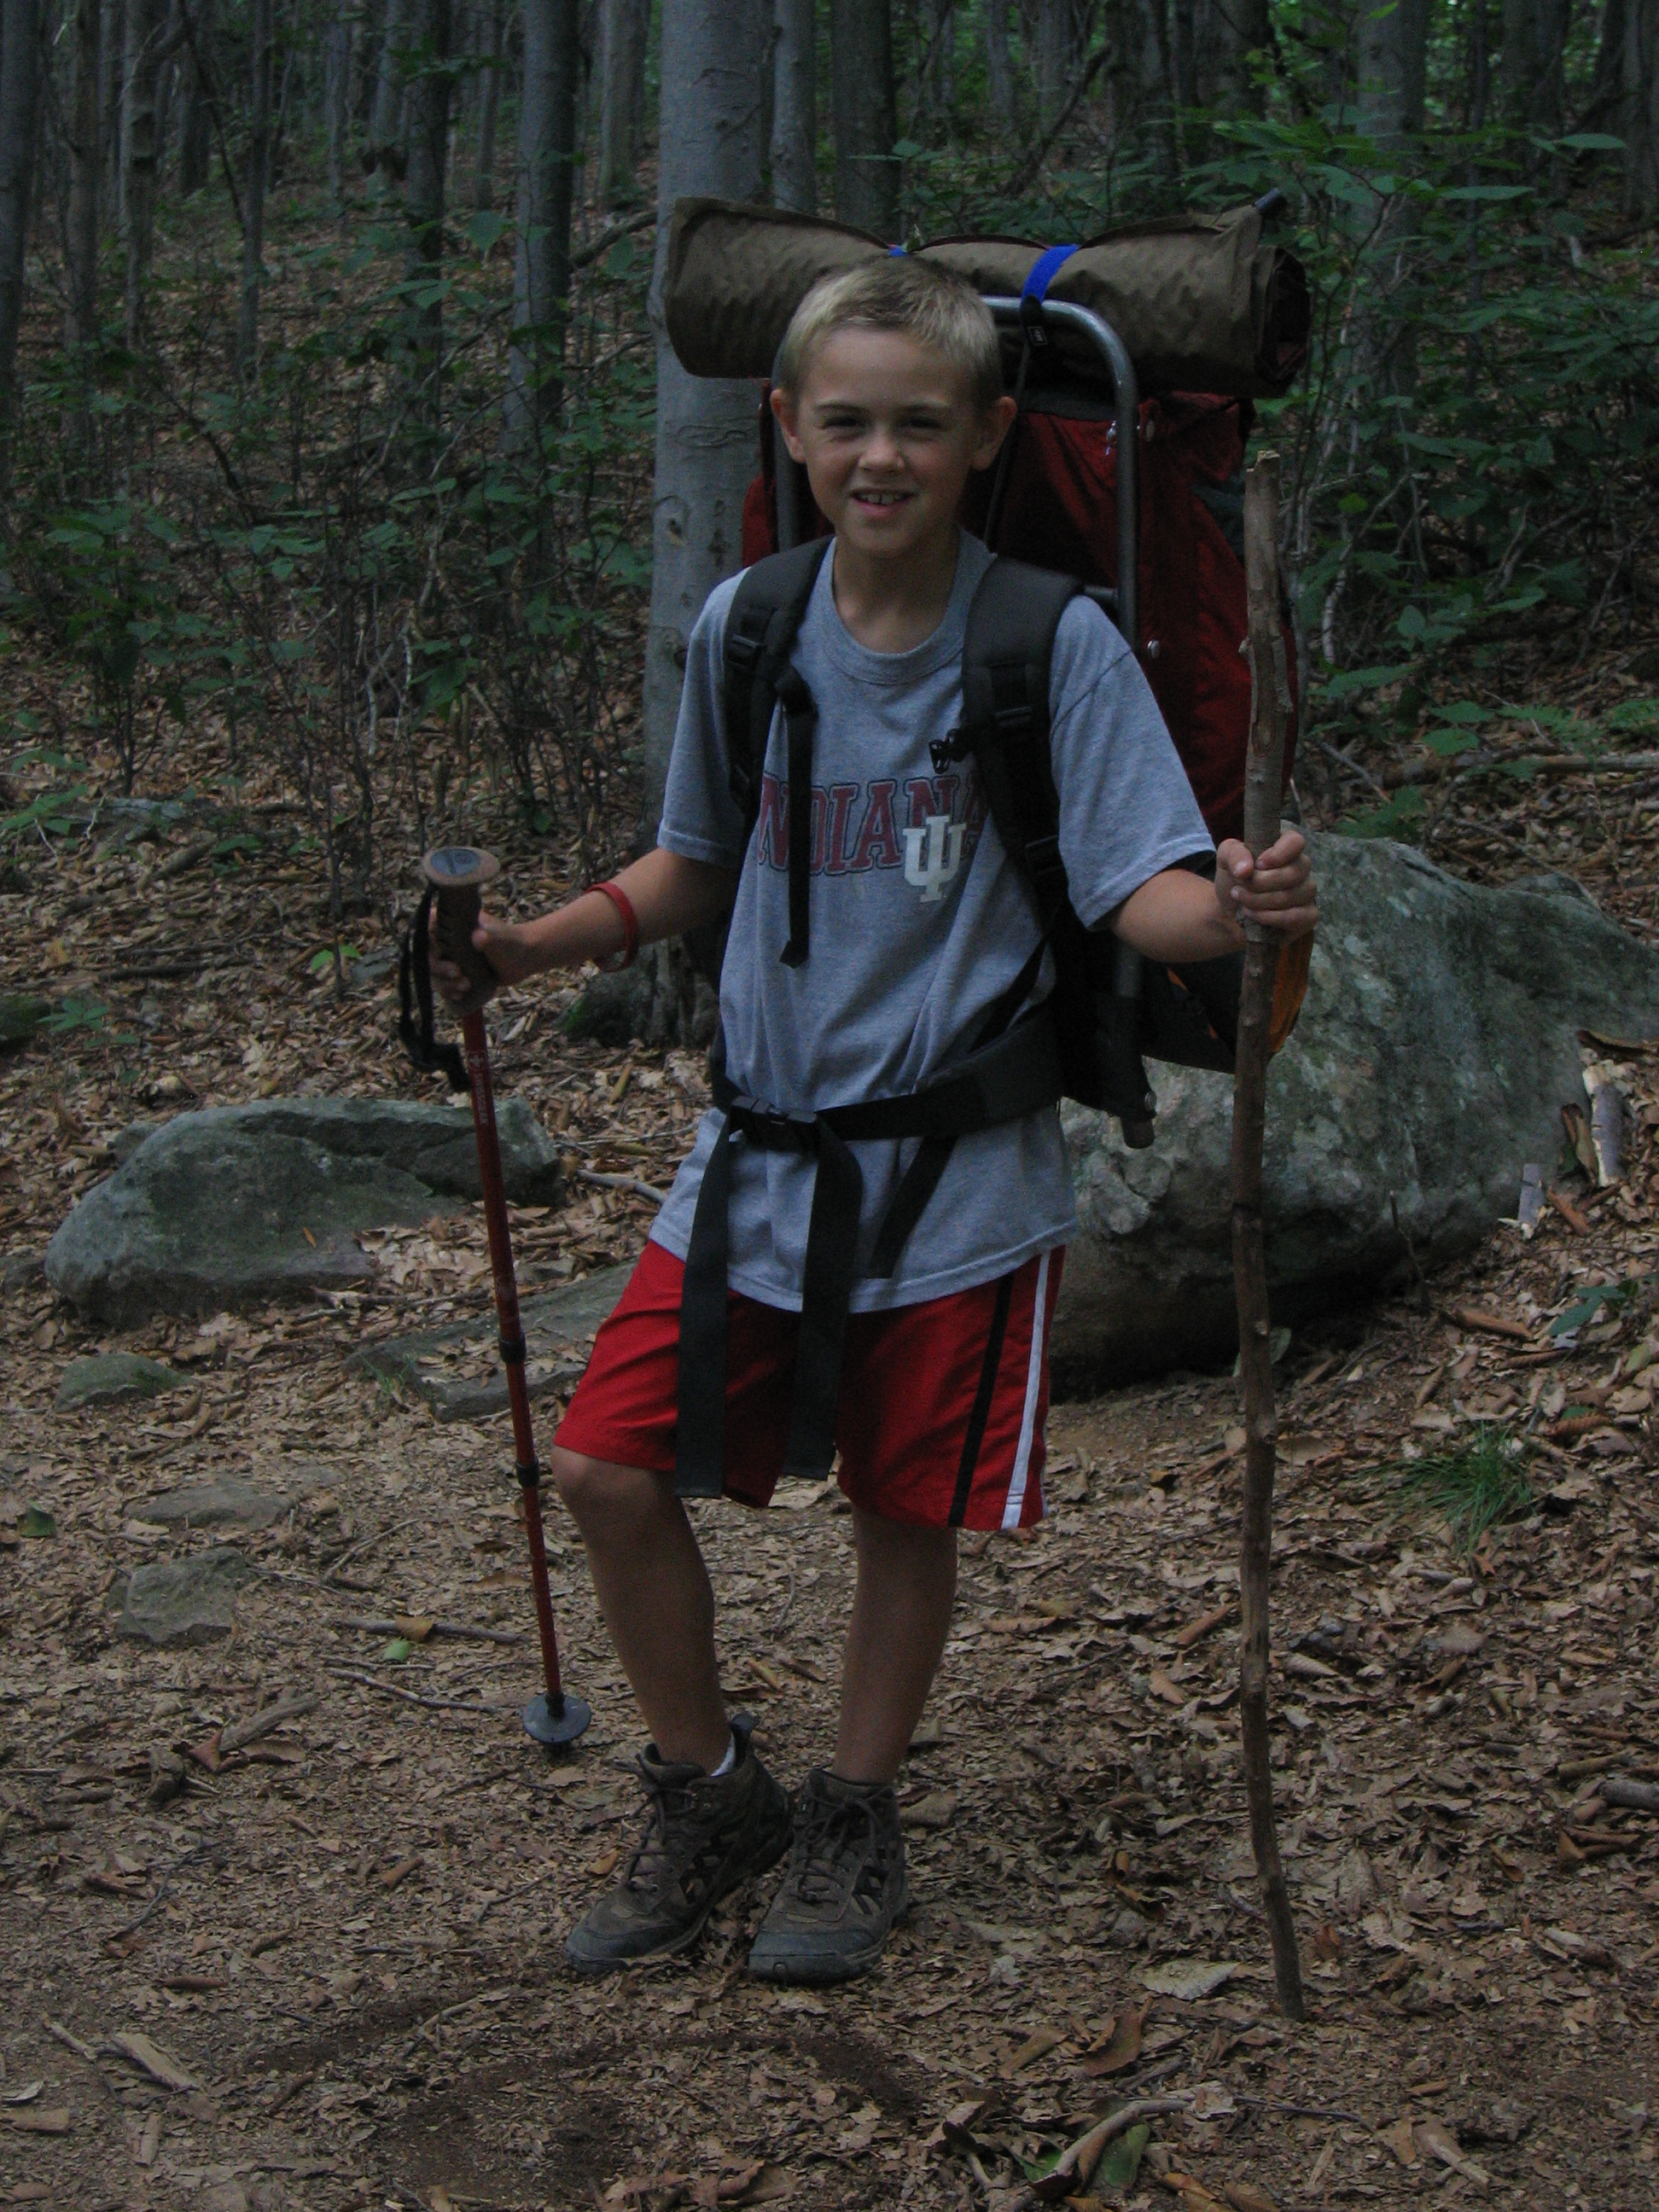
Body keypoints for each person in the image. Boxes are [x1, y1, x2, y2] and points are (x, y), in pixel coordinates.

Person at [431, 258, 1318, 1987]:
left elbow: (1139, 887)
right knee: (605, 1466)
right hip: (755, 1151)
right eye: (846, 421)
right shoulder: (750, 626)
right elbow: (694, 860)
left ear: (988, 434)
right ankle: (710, 1790)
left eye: (921, 422)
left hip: (959, 1169)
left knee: (905, 1506)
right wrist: (537, 945)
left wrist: (1239, 910)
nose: (881, 455)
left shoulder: (1049, 641)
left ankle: (852, 1810)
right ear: (790, 427)